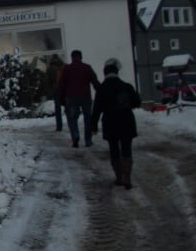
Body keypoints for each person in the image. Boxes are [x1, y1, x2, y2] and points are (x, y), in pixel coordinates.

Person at [91, 58, 141, 189]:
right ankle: (127, 177)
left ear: (105, 73)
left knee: (114, 149)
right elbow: (137, 102)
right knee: (126, 148)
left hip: (110, 122)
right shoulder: (126, 86)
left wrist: (93, 125)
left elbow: (96, 109)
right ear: (117, 72)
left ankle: (119, 177)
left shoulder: (102, 89)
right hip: (126, 120)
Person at [57, 49, 100, 148]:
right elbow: (95, 82)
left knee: (72, 118)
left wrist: (61, 98)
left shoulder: (67, 69)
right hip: (85, 96)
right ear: (81, 57)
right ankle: (88, 140)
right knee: (87, 118)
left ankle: (75, 135)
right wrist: (102, 91)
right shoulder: (87, 68)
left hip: (71, 97)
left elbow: (61, 84)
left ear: (72, 58)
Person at [46, 54, 65, 132]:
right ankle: (71, 123)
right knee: (68, 107)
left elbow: (47, 81)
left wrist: (49, 92)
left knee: (58, 109)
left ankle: (59, 126)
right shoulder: (63, 67)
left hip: (56, 90)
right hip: (64, 90)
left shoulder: (50, 69)